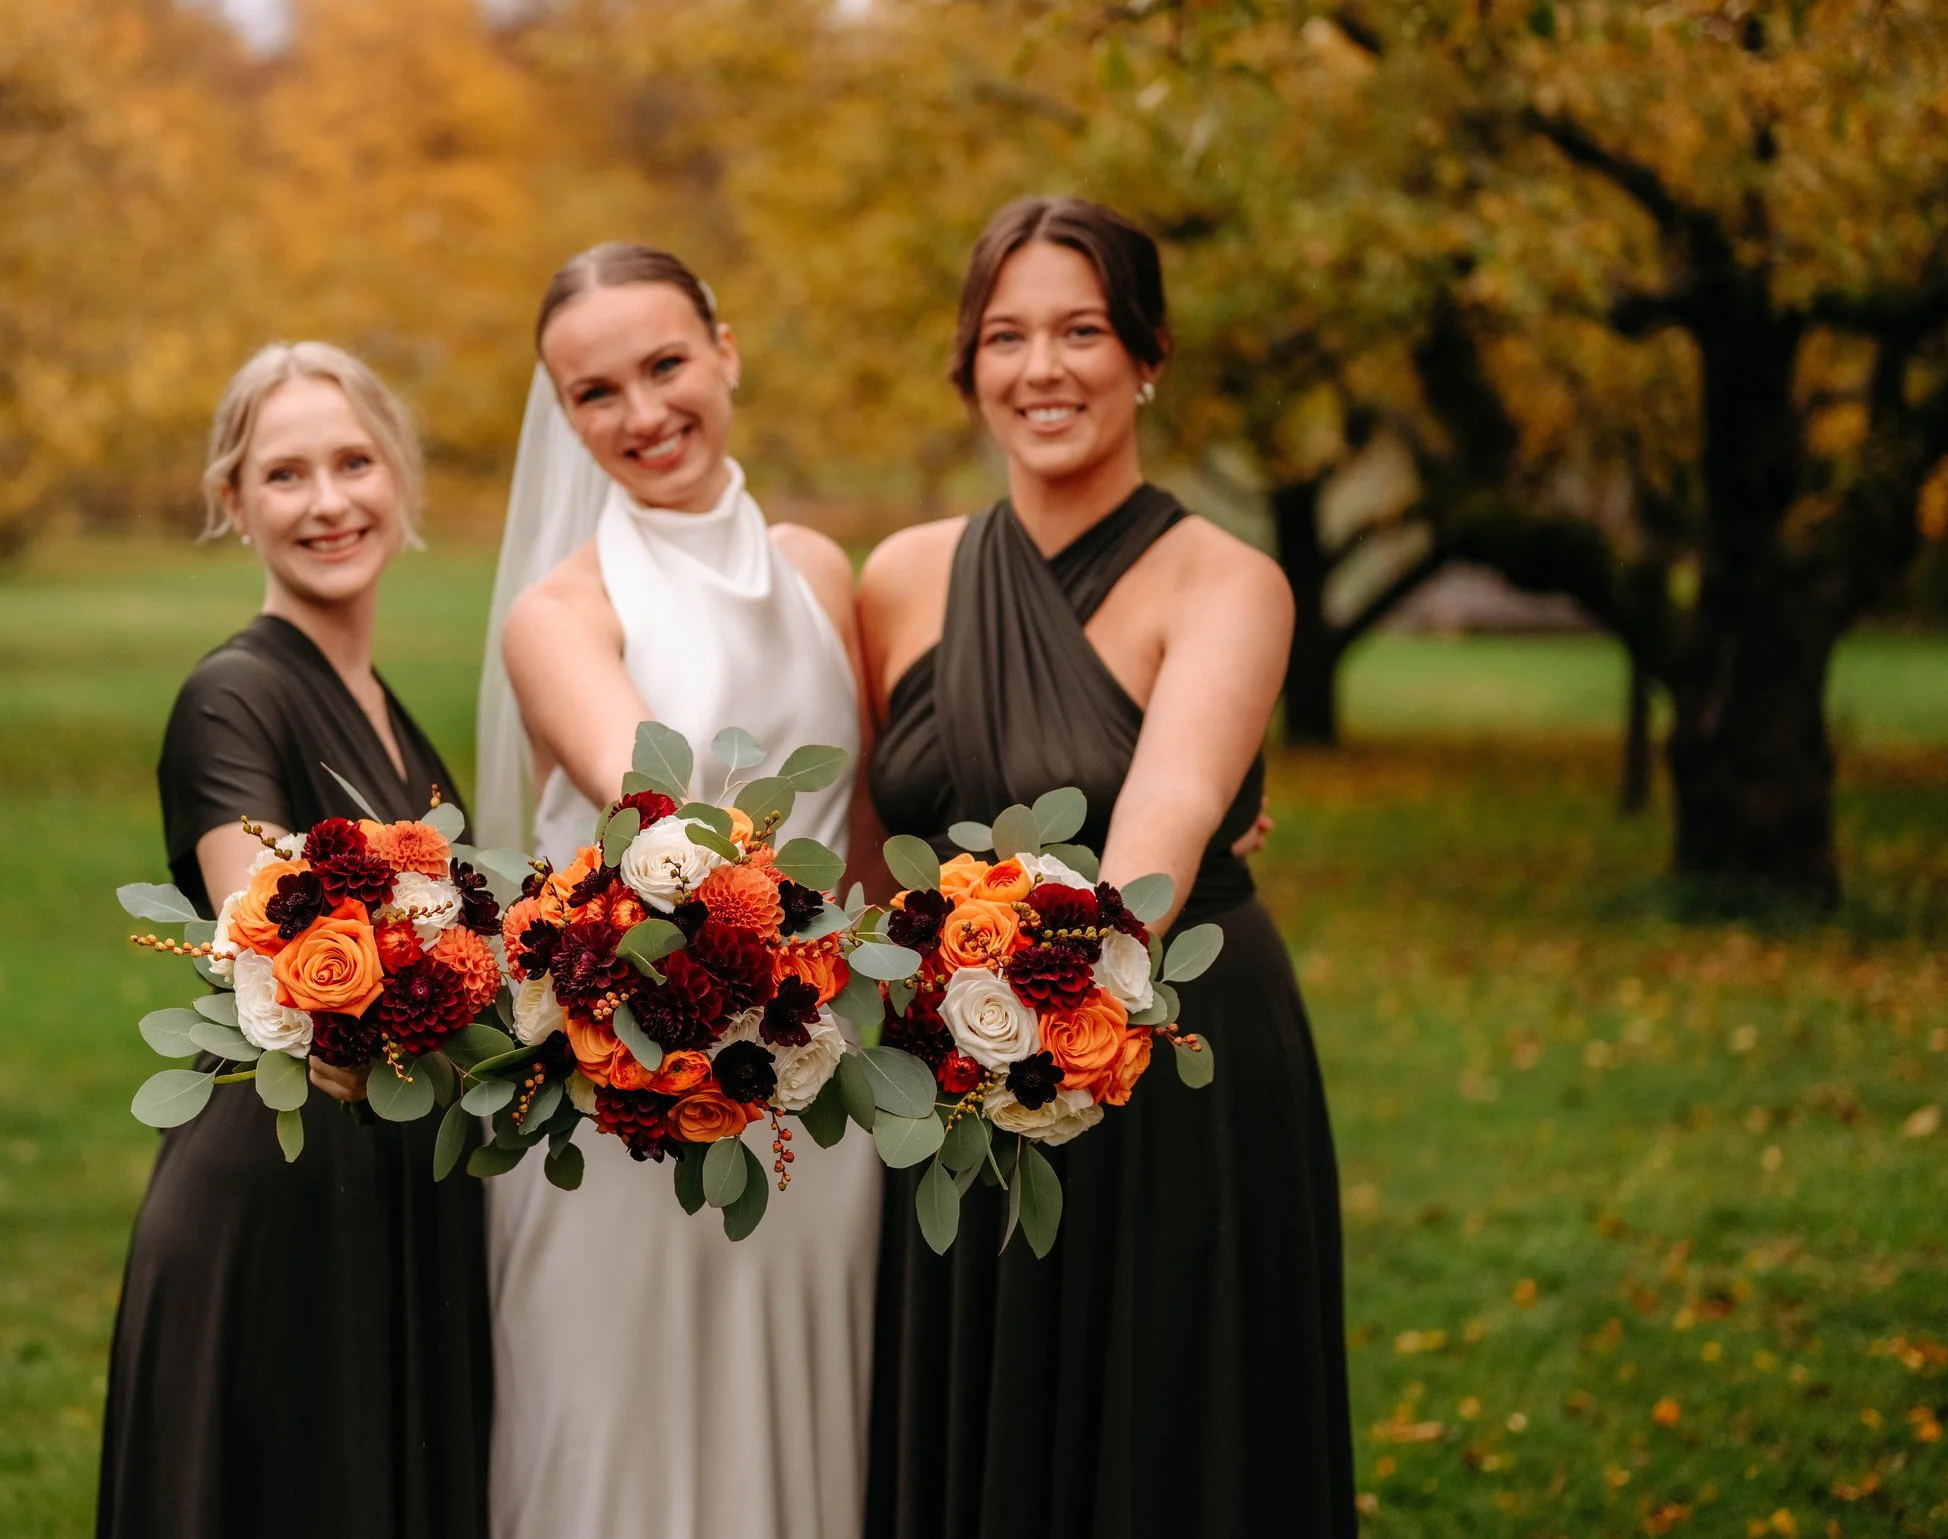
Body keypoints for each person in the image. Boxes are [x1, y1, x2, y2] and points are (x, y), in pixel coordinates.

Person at [858, 197, 1356, 1538]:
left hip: (1166, 1050)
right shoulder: (900, 578)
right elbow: (866, 850)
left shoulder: (1230, 581)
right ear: (969, 366)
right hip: (950, 1075)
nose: (1043, 368)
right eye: (1006, 334)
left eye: (1082, 329)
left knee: (1162, 1434)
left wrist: (1048, 999)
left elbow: (1169, 815)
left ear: (1149, 352)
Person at [475, 243, 881, 1539]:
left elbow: (869, 835)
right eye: (597, 393)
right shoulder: (558, 613)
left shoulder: (823, 573)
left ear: (727, 352)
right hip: (629, 1107)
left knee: (807, 1431)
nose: (644, 414)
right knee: (621, 1451)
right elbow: (653, 810)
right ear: (565, 413)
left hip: (815, 1105)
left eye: (665, 365)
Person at [97, 343, 489, 1539]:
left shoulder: (385, 705)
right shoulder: (234, 695)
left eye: (354, 461)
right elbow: (283, 951)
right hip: (275, 1201)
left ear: (401, 478)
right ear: (233, 502)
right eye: (284, 474)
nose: (328, 501)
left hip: (381, 1187)